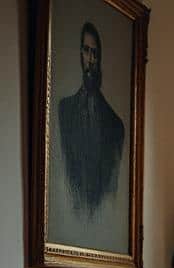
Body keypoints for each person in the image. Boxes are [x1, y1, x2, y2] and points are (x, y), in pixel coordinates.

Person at [57, 21, 124, 217]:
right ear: (80, 54)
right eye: (87, 51)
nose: (91, 59)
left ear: (100, 58)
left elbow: (111, 193)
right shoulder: (64, 110)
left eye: (95, 53)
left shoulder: (115, 124)